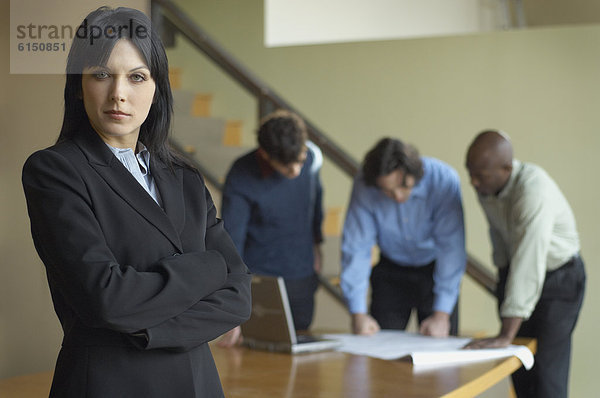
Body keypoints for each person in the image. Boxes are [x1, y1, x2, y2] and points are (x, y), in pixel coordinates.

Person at [21, 7, 251, 397]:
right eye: (101, 75)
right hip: (110, 384)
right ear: (79, 85)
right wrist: (209, 267)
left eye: (137, 77)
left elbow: (238, 297)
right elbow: (106, 299)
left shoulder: (186, 178)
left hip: (196, 383)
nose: (119, 94)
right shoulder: (55, 171)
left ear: (156, 87)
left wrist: (146, 328)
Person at [465, 130, 585, 398]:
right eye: (469, 172)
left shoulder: (533, 191)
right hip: (518, 271)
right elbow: (500, 240)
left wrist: (505, 334)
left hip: (559, 279)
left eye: (480, 175)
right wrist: (503, 286)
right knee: (519, 369)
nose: (473, 181)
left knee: (546, 374)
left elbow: (529, 261)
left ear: (506, 168)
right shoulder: (486, 185)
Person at [218, 110, 324, 347]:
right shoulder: (242, 173)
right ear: (265, 154)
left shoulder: (311, 158)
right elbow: (232, 240)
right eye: (287, 167)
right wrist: (234, 300)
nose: (296, 171)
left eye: (300, 160)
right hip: (261, 282)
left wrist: (318, 245)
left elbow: (315, 204)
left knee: (302, 354)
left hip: (302, 274)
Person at [341, 137, 466, 337]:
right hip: (391, 271)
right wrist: (358, 314)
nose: (398, 197)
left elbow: (451, 249)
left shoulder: (443, 180)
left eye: (404, 186)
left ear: (416, 174)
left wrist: (442, 315)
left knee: (441, 350)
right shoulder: (364, 185)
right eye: (388, 191)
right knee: (379, 353)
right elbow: (357, 248)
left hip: (434, 272)